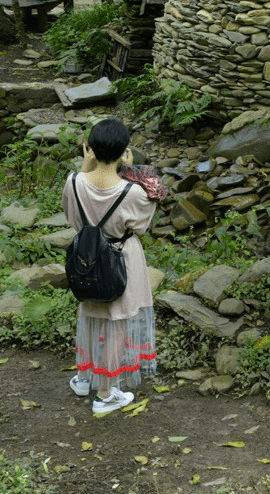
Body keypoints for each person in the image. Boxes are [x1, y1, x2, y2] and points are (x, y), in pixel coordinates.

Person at [62, 117, 157, 415]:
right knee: (117, 322)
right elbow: (141, 226)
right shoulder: (134, 192)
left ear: (89, 148)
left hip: (87, 257)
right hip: (120, 259)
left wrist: (85, 167)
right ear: (123, 150)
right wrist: (128, 170)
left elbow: (73, 217)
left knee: (91, 314)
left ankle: (84, 377)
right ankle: (105, 394)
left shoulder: (74, 182)